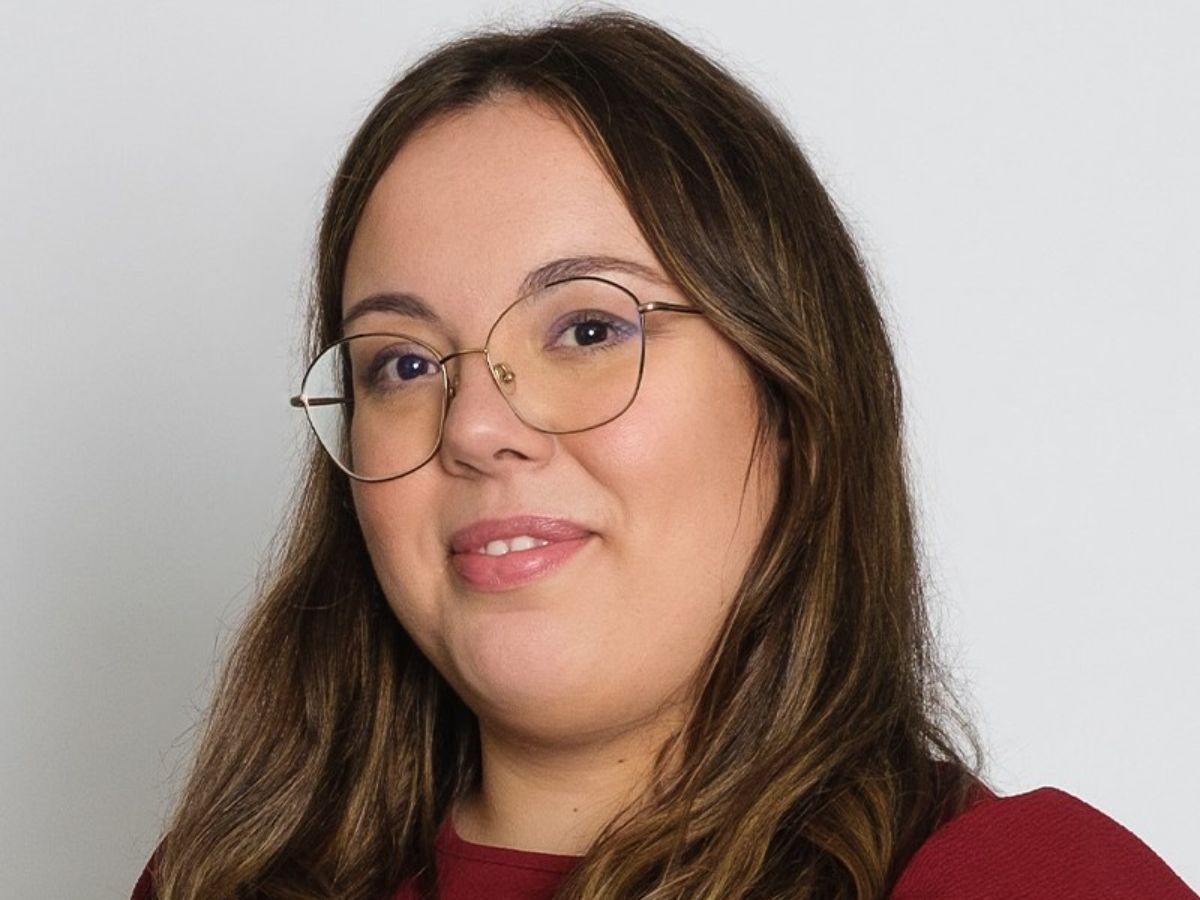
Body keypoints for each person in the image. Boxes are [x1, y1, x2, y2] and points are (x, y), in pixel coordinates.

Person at [132, 11, 1196, 900]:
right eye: (401, 366)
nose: (472, 427)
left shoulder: (1029, 882)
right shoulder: (219, 878)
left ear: (794, 405)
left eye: (588, 330)